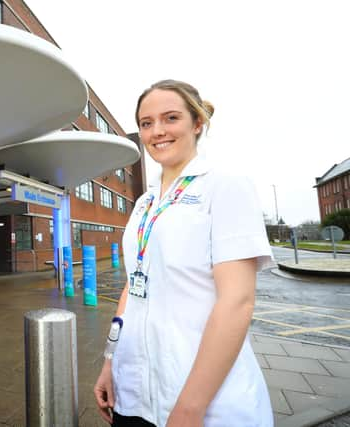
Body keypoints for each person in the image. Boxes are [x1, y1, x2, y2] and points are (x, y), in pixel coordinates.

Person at [94, 80, 273, 427]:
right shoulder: (145, 204)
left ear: (197, 124)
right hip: (134, 397)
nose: (157, 131)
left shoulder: (224, 186)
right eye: (147, 123)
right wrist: (110, 363)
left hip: (204, 405)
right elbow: (134, 286)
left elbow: (237, 301)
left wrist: (190, 408)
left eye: (171, 118)